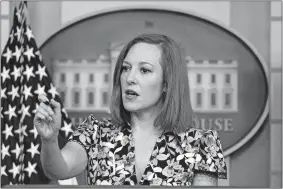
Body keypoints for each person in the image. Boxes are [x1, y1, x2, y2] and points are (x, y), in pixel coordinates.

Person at [34, 33, 227, 186]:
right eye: (125, 68)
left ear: (168, 83)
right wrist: (49, 140)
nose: (130, 78)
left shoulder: (202, 143)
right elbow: (57, 169)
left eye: (144, 70)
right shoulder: (95, 133)